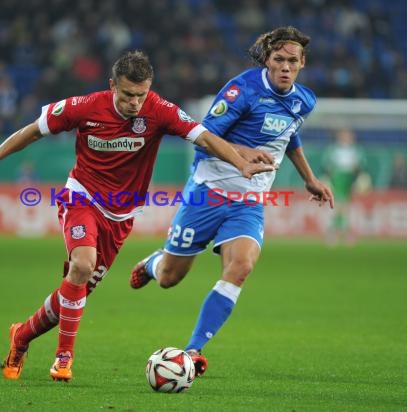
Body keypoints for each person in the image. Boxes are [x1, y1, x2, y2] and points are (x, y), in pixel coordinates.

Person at [0, 50, 274, 382]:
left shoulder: (160, 110)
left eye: (141, 95)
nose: (135, 103)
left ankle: (21, 336)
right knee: (82, 265)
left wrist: (241, 163)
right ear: (112, 86)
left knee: (75, 289)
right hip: (81, 197)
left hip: (121, 215)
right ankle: (63, 358)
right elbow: (34, 130)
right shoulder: (84, 107)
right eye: (127, 95)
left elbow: (205, 138)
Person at [128, 26, 334, 377]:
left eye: (292, 61)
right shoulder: (242, 90)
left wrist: (309, 179)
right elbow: (202, 137)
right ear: (268, 60)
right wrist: (244, 152)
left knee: (241, 267)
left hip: (249, 201)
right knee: (169, 279)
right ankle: (154, 263)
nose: (285, 67)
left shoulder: (305, 100)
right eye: (279, 59)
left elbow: (289, 133)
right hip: (207, 193)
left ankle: (193, 351)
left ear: (302, 64)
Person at [322, 128, 367, 245]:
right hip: (338, 178)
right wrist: (328, 178)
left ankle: (336, 232)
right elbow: (327, 166)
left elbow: (360, 166)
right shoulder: (333, 150)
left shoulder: (356, 150)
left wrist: (359, 179)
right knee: (341, 205)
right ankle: (341, 233)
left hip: (350, 178)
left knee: (343, 206)